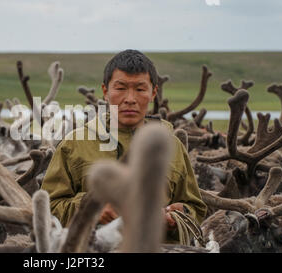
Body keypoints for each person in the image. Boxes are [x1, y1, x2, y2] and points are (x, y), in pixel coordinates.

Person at [40, 49, 207, 243]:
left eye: (140, 89)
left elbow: (195, 209)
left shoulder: (172, 146)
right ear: (105, 91)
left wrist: (176, 218)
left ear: (153, 92)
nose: (130, 99)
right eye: (120, 88)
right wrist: (92, 208)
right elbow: (48, 210)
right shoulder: (74, 144)